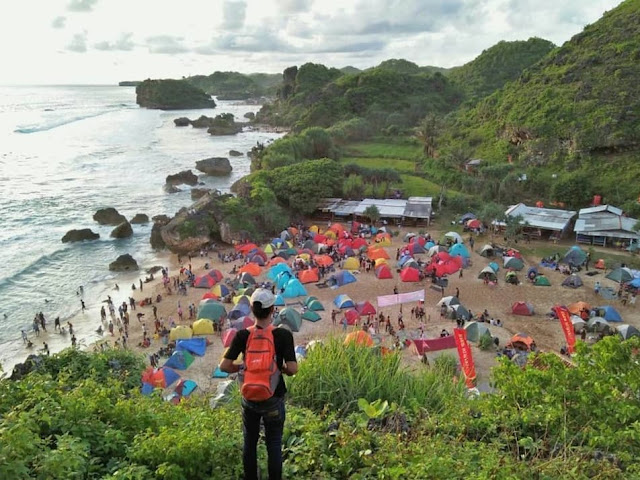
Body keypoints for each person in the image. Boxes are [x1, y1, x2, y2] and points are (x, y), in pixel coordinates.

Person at [220, 288, 297, 480]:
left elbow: (224, 365)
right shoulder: (283, 335)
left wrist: (244, 367)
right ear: (273, 310)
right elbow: (293, 368)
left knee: (250, 442)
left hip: (250, 397)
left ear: (252, 311)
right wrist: (281, 369)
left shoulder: (242, 335)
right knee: (274, 443)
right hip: (273, 396)